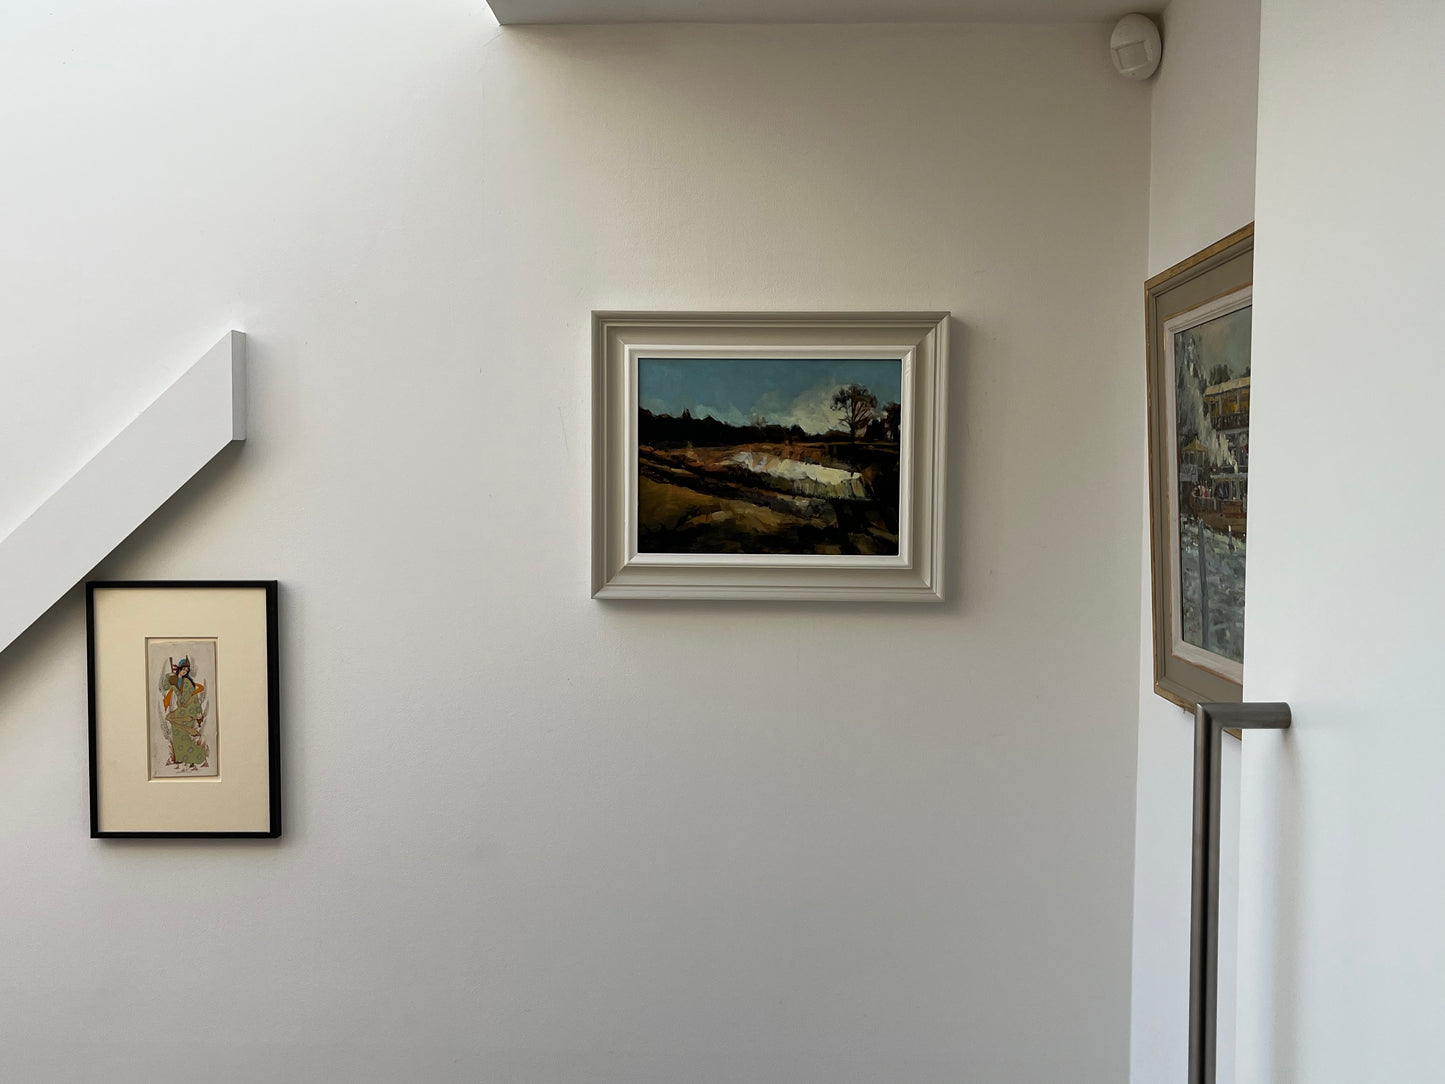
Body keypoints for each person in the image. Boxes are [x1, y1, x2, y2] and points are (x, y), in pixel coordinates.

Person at [159, 656, 209, 769]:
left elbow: (191, 698)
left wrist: (198, 712)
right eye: (183, 669)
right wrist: (169, 677)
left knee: (182, 733)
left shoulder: (187, 682)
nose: (184, 671)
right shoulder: (175, 679)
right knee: (176, 732)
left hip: (187, 711)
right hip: (180, 709)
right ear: (179, 669)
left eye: (186, 671)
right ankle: (181, 757)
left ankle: (198, 756)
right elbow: (164, 686)